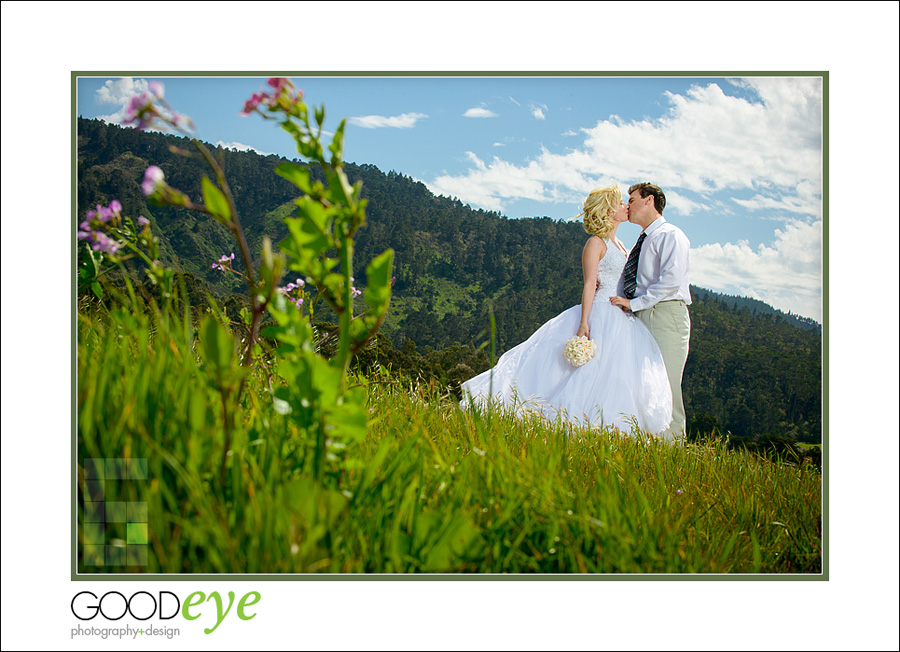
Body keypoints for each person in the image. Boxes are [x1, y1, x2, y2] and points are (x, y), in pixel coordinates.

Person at [461, 185, 673, 436]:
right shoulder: (596, 243)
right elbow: (588, 284)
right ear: (607, 210)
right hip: (600, 313)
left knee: (614, 376)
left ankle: (610, 426)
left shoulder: (622, 245)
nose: (626, 206)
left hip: (622, 316)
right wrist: (584, 323)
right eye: (620, 204)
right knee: (582, 372)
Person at [610, 182, 691, 441]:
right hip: (643, 313)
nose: (628, 206)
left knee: (666, 382)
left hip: (664, 314)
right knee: (644, 381)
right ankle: (646, 440)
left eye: (631, 200)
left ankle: (672, 445)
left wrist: (634, 304)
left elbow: (671, 281)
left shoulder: (670, 235)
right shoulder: (643, 240)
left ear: (649, 200)